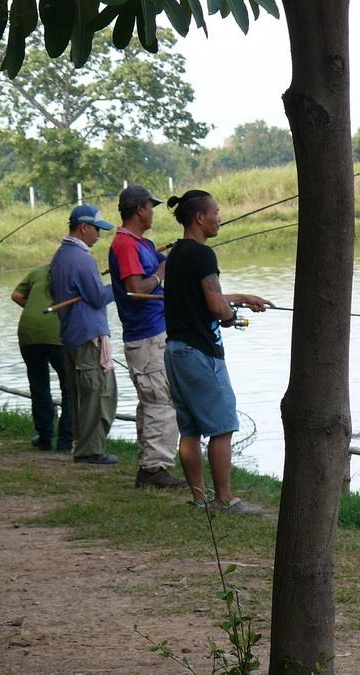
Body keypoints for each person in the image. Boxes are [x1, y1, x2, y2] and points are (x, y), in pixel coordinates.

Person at [163, 189, 272, 513]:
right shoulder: (203, 254)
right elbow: (214, 304)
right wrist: (229, 314)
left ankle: (199, 498)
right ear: (200, 217)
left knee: (190, 430)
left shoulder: (177, 253)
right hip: (200, 353)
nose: (219, 218)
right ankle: (225, 499)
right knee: (223, 426)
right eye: (216, 212)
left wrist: (240, 298)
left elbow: (197, 298)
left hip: (175, 351)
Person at [109, 185, 188, 489]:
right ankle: (155, 469)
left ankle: (151, 465)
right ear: (140, 209)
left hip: (153, 333)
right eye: (150, 207)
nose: (153, 212)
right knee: (160, 400)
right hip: (145, 336)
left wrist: (167, 255)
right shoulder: (125, 244)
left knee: (154, 400)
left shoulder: (141, 243)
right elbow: (136, 290)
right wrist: (164, 269)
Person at [50, 204, 119, 465]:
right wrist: (120, 285)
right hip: (89, 335)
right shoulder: (82, 259)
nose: (98, 236)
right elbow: (98, 297)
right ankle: (90, 451)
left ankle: (86, 447)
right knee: (100, 394)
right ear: (83, 227)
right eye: (97, 230)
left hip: (71, 335)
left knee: (84, 395)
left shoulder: (60, 256)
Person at [11, 264, 73, 452]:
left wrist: (32, 307)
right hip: (56, 334)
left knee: (39, 386)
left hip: (28, 332)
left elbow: (17, 295)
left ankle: (45, 438)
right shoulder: (71, 270)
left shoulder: (37, 271)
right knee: (70, 387)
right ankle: (65, 441)